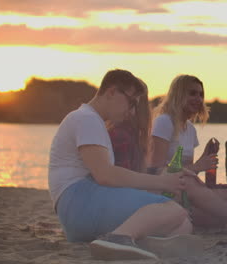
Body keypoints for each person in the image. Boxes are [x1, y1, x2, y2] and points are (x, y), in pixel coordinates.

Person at [48, 69, 198, 261]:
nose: (132, 110)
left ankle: (139, 242)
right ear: (111, 92)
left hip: (81, 208)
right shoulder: (86, 118)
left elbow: (111, 178)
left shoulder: (93, 121)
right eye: (132, 102)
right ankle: (119, 239)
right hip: (77, 202)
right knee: (174, 210)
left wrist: (162, 178)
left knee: (183, 223)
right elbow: (105, 175)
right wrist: (162, 183)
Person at [147, 74, 227, 230]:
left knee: (224, 202)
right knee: (197, 191)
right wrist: (199, 166)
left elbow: (187, 172)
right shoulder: (164, 122)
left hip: (180, 190)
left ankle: (198, 217)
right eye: (192, 93)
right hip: (159, 189)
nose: (198, 99)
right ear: (178, 94)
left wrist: (203, 160)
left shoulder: (190, 130)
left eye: (201, 94)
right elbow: (155, 169)